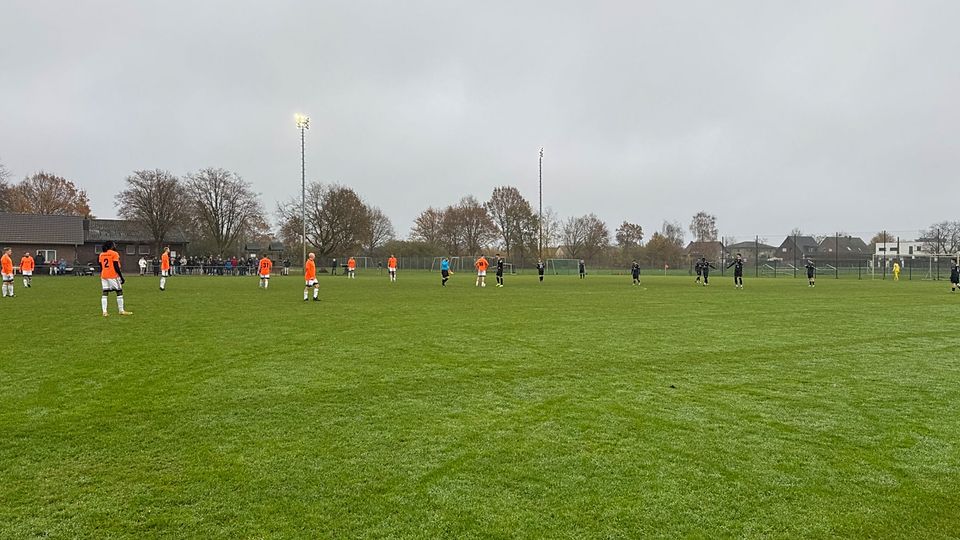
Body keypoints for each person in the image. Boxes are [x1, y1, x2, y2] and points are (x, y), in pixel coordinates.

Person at [99, 241, 132, 316]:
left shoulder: (101, 254)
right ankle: (121, 310)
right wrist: (121, 277)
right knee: (119, 291)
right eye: (114, 244)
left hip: (104, 275)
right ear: (111, 246)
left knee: (105, 293)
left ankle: (104, 312)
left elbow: (101, 266)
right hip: (113, 275)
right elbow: (116, 266)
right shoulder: (114, 254)